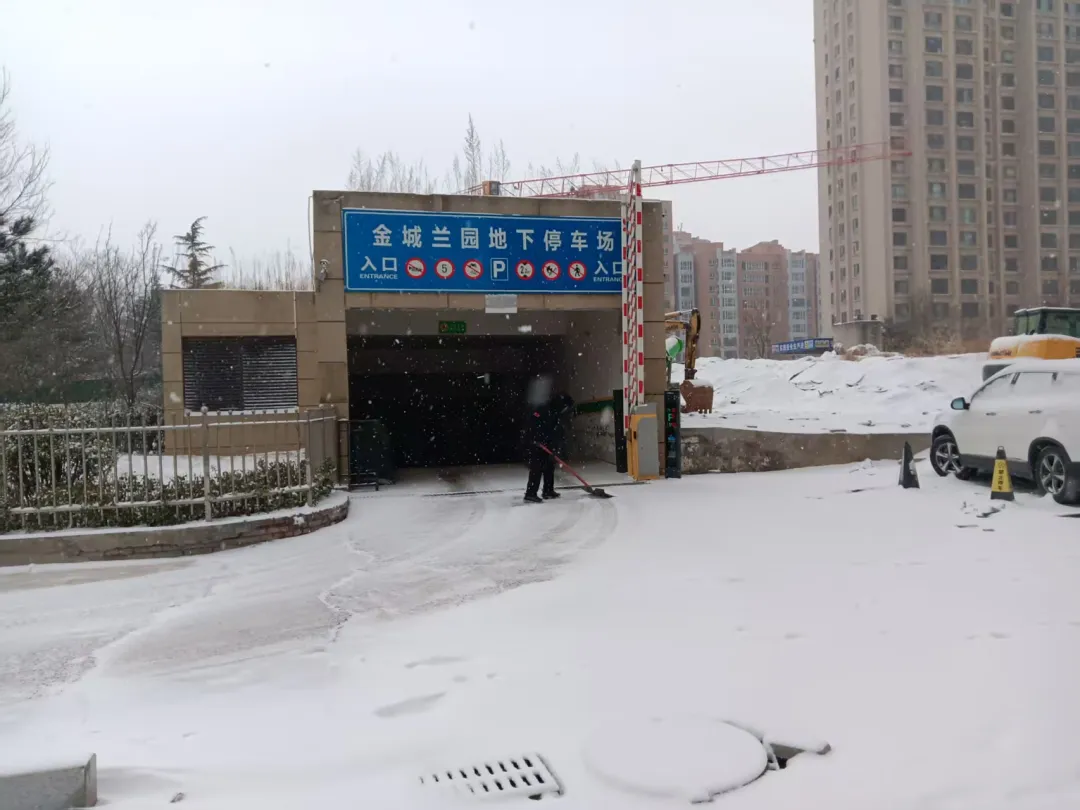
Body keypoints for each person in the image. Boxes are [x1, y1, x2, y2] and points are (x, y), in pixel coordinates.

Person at [523, 392, 574, 503]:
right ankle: (530, 493)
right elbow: (533, 424)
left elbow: (556, 430)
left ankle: (548, 491)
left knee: (549, 467)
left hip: (549, 444)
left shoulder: (556, 412)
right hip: (537, 444)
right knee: (536, 468)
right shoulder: (543, 409)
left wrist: (555, 446)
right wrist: (536, 439)